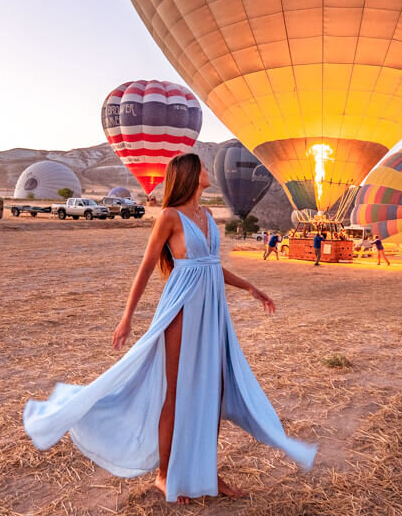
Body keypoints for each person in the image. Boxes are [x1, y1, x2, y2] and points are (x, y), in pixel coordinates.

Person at [22, 152, 316, 503]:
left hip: (213, 313)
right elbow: (147, 267)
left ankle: (208, 473)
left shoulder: (207, 215)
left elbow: (210, 265)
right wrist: (127, 318)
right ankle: (164, 475)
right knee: (173, 395)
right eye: (203, 168)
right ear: (191, 175)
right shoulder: (169, 218)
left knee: (213, 392)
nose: (208, 172)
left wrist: (250, 287)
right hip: (181, 309)